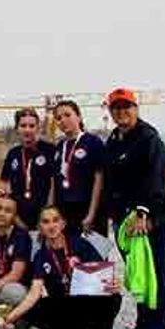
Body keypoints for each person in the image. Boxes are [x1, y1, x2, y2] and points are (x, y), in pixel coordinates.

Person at [103, 87, 165, 329]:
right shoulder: (114, 139)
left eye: (127, 106)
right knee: (139, 276)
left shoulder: (148, 138)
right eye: (116, 108)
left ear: (136, 108)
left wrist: (143, 212)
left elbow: (155, 178)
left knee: (155, 276)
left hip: (149, 220)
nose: (122, 112)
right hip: (124, 222)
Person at [0, 206, 122, 329]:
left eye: (55, 220)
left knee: (113, 296)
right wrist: (9, 318)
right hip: (60, 306)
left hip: (83, 303)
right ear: (40, 227)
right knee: (32, 305)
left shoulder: (80, 244)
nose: (51, 226)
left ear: (63, 224)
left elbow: (102, 275)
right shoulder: (41, 256)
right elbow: (34, 293)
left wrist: (113, 284)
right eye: (46, 222)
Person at [51, 99, 107, 236]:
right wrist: (51, 211)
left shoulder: (93, 142)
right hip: (64, 213)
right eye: (58, 118)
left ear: (79, 117)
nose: (63, 120)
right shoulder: (59, 147)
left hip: (87, 212)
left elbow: (99, 179)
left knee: (91, 249)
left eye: (67, 115)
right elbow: (54, 182)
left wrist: (91, 214)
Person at [0, 108, 57, 231]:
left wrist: (46, 218)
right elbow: (4, 186)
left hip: (45, 221)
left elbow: (54, 186)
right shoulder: (13, 153)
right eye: (23, 126)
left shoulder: (50, 150)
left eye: (31, 126)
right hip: (18, 219)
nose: (27, 130)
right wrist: (16, 219)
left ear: (38, 128)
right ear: (17, 128)